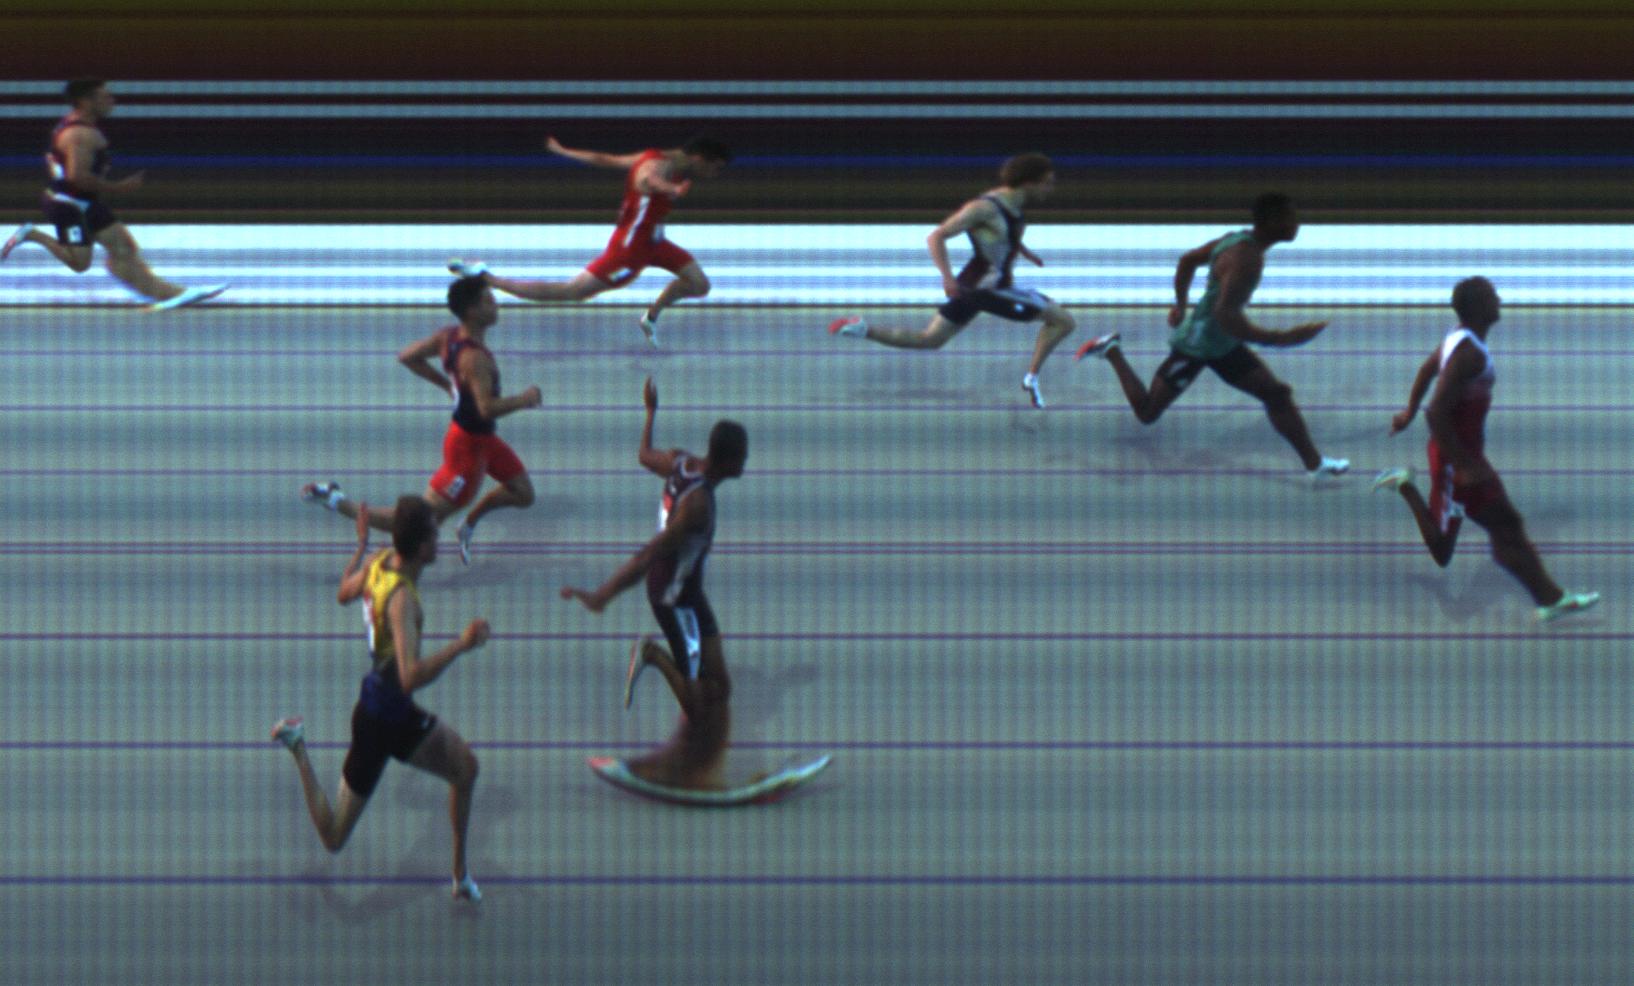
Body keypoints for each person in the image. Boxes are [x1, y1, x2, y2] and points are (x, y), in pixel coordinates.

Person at [271, 496, 491, 901]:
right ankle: (297, 746)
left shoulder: (379, 560)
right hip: (385, 719)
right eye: (434, 534)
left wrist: (359, 547)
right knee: (334, 837)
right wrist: (461, 645)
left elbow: (343, 593)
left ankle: (460, 875)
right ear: (421, 548)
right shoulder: (402, 600)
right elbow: (410, 677)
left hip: (381, 709)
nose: (439, 539)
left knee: (466, 770)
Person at [1074, 192, 1349, 477]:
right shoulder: (1247, 260)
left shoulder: (1234, 240)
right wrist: (1282, 338)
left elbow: (1188, 261)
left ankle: (1314, 464)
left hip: (1222, 344)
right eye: (1291, 217)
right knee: (1147, 412)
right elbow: (1225, 316)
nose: (1297, 223)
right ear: (1272, 221)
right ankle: (1111, 351)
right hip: (1198, 345)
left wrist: (1180, 305)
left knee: (1277, 394)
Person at [1373, 276, 1599, 622]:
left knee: (1477, 538)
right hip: (1457, 463)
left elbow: (1426, 371)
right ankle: (1550, 599)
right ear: (1479, 306)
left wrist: (1407, 413)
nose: (1500, 299)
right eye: (1493, 296)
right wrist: (1463, 464)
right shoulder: (1470, 354)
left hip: (1463, 458)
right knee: (1499, 528)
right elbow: (1436, 412)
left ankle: (1550, 599)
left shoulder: (1457, 339)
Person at [560, 377, 748, 790]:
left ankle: (690, 752)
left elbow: (645, 456)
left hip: (690, 592)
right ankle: (653, 656)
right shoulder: (698, 506)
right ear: (731, 461)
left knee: (721, 686)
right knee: (698, 703)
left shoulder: (682, 462)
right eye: (744, 458)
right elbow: (650, 554)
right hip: (671, 597)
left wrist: (650, 412)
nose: (746, 465)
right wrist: (604, 594)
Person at [301, 276, 541, 564]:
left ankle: (468, 523)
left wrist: (447, 385)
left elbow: (408, 357)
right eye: (488, 300)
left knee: (524, 493)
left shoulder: (448, 337)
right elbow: (486, 409)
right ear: (472, 311)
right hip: (467, 450)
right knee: (419, 522)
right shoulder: (474, 359)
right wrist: (524, 399)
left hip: (482, 439)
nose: (496, 304)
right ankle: (337, 500)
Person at [827, 152, 1077, 409]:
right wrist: (947, 277)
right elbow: (936, 236)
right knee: (1064, 321)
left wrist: (1023, 251)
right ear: (1029, 182)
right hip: (988, 289)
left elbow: (1003, 235)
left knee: (930, 339)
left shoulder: (1013, 204)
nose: (1051, 188)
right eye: (1047, 182)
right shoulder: (985, 207)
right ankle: (1031, 378)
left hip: (972, 286)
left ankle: (862, 329)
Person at [448, 135, 732, 347]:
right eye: (715, 168)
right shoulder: (657, 166)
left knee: (699, 284)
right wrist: (671, 188)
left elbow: (606, 159)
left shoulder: (657, 156)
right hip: (630, 250)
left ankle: (651, 317)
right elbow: (648, 180)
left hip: (656, 243)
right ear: (700, 159)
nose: (715, 175)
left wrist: (563, 151)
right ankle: (487, 278)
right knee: (572, 291)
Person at [0, 78, 227, 311]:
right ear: (85, 101)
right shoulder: (80, 134)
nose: (111, 100)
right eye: (104, 96)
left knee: (123, 248)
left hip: (85, 201)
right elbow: (77, 178)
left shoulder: (76, 127)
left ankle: (170, 295)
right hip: (68, 205)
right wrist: (120, 187)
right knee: (80, 263)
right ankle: (33, 234)